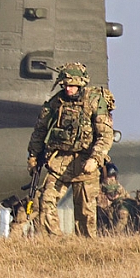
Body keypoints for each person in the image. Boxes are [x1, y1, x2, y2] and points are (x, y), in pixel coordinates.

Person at [28, 62, 114, 237]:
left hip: (85, 163)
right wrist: (33, 156)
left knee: (85, 213)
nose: (68, 89)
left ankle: (86, 250)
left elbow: (105, 136)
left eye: (72, 86)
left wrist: (95, 159)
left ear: (81, 84)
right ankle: (56, 244)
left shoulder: (94, 101)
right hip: (59, 162)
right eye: (65, 85)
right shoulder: (56, 103)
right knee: (46, 202)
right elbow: (40, 131)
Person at [97, 163, 130, 234]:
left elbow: (127, 203)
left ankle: (115, 233)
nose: (112, 179)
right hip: (101, 222)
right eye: (109, 176)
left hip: (116, 221)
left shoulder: (120, 188)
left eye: (113, 176)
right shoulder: (97, 189)